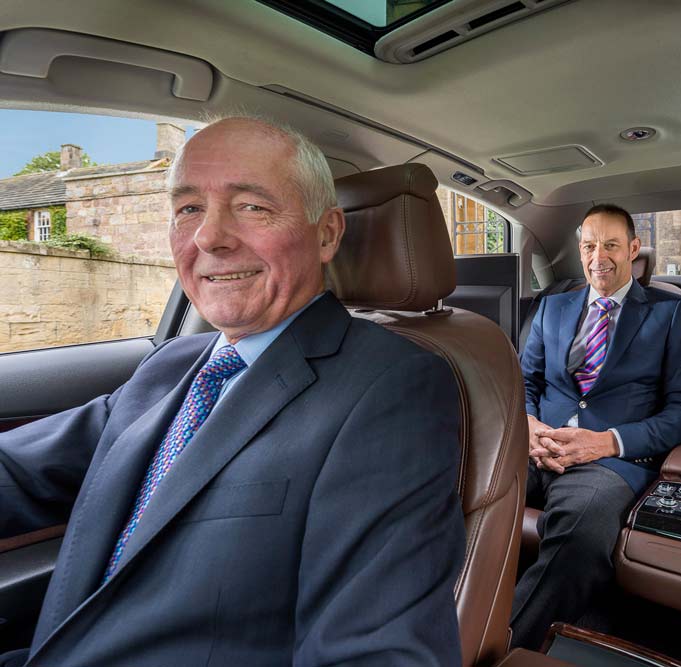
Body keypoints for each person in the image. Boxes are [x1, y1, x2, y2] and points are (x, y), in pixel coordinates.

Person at [0, 117, 465, 666]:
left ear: (327, 234)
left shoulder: (394, 389)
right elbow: (20, 471)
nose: (208, 237)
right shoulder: (170, 366)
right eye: (188, 208)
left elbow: (378, 654)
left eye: (252, 206)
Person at [513, 203, 681, 649]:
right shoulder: (553, 307)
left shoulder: (669, 313)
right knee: (456, 487)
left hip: (607, 462)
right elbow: (525, 381)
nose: (597, 256)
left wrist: (605, 442)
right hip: (536, 445)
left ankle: (503, 646)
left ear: (634, 250)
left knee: (581, 533)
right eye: (588, 245)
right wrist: (527, 424)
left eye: (611, 245)